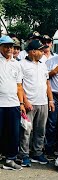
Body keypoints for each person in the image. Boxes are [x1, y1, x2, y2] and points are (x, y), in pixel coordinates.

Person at [19, 40, 55, 167]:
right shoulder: (22, 64)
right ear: (32, 51)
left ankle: (37, 152)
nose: (43, 52)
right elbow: (19, 85)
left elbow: (47, 83)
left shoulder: (43, 64)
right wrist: (24, 101)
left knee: (40, 130)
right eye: (40, 50)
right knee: (26, 130)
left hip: (43, 102)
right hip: (30, 103)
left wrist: (50, 100)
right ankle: (24, 155)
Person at [0, 36, 25, 170]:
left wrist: (21, 103)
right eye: (6, 46)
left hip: (13, 104)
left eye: (11, 46)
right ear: (0, 47)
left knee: (14, 133)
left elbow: (19, 86)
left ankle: (10, 160)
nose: (9, 48)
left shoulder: (16, 64)